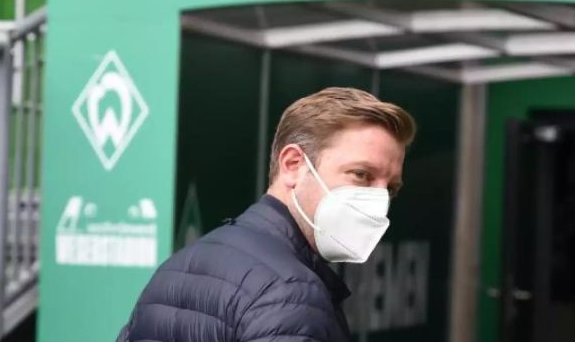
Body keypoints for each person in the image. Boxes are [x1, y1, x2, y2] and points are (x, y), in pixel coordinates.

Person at [117, 87, 416, 342]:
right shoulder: (291, 292)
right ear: (293, 164)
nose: (378, 199)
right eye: (361, 174)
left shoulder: (178, 267)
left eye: (390, 188)